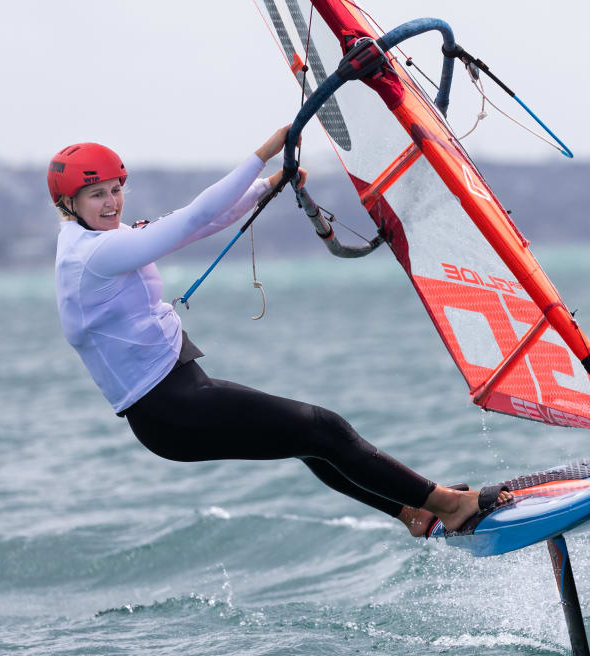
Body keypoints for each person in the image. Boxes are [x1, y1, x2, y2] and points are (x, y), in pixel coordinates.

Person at [50, 126, 512, 538]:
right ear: (68, 204)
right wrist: (265, 152)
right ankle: (450, 506)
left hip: (171, 407)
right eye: (97, 196)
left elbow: (200, 225)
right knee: (323, 428)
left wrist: (265, 188)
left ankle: (411, 512)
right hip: (171, 408)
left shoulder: (95, 240)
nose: (112, 202)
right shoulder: (93, 256)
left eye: (116, 190)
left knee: (309, 441)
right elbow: (188, 220)